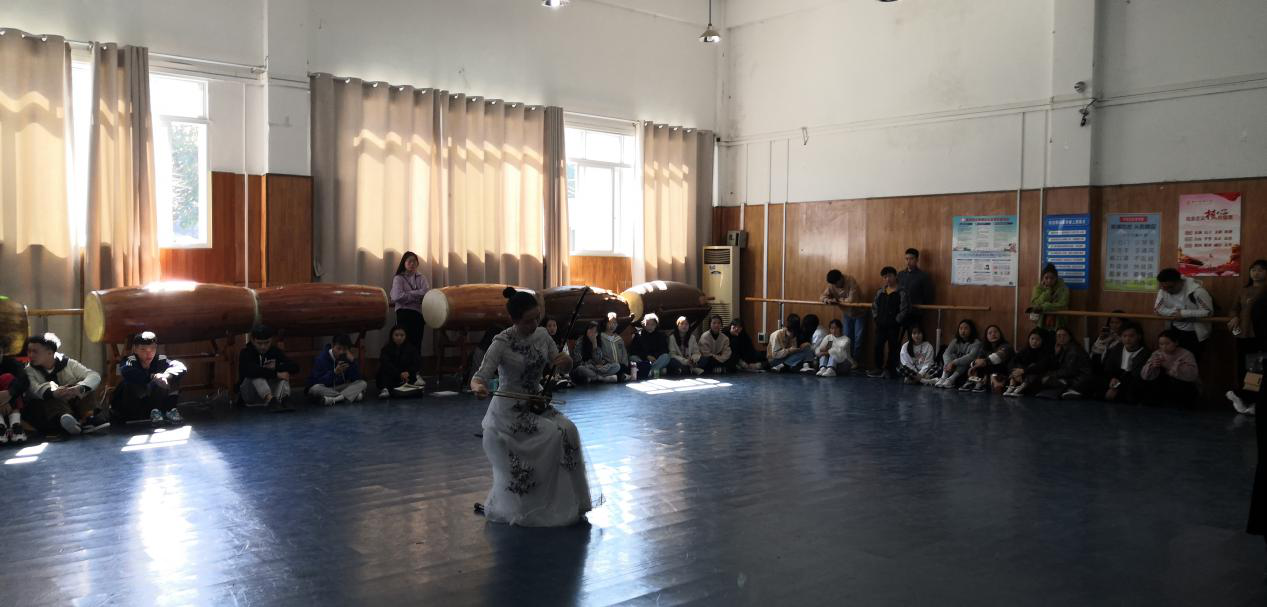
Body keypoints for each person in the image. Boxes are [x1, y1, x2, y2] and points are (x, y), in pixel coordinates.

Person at [470, 287, 592, 527]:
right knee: (552, 433)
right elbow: (479, 377)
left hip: (536, 401)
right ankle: (535, 503)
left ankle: (567, 501)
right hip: (510, 410)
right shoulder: (501, 342)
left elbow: (562, 364)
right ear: (514, 320)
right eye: (528, 321)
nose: (534, 324)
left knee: (569, 429)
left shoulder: (542, 335)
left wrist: (566, 362)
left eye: (537, 318)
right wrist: (478, 388)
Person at [22, 333, 108, 436]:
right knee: (50, 396)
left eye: (35, 351)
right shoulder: (28, 370)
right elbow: (33, 389)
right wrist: (55, 392)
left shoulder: (68, 363)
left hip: (71, 403)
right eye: (29, 351)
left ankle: (88, 418)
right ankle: (65, 422)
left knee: (86, 388)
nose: (31, 355)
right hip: (46, 412)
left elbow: (94, 375)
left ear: (50, 352)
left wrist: (79, 388)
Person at [112, 331, 187, 425]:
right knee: (132, 381)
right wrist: (153, 376)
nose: (148, 353)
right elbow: (127, 371)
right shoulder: (130, 360)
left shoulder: (160, 359)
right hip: (135, 407)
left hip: (156, 405)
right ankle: (153, 411)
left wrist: (166, 375)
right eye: (143, 349)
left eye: (152, 348)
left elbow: (180, 366)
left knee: (172, 377)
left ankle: (170, 410)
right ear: (135, 349)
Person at [1077, 322, 1151, 404]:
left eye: (1131, 336)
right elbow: (1108, 368)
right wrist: (1112, 379)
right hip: (1114, 381)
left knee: (1133, 391)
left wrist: (1117, 387)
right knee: (1090, 381)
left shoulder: (1145, 353)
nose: (1127, 339)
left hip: (1129, 384)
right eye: (1124, 336)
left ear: (1139, 337)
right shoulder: (1118, 348)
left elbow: (1136, 376)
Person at [1228, 260, 1267, 413]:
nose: (1256, 273)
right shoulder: (1243, 290)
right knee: (1243, 367)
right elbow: (1233, 308)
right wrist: (1234, 317)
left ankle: (1251, 399)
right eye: (1253, 270)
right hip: (1243, 334)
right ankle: (1245, 398)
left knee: (1256, 367)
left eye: (1261, 270)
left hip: (1261, 335)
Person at [1153, 267, 1213, 356]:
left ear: (1179, 282)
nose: (1167, 290)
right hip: (1175, 330)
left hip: (1195, 333)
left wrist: (1183, 313)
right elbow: (1158, 310)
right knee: (1173, 359)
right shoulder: (1163, 291)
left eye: (1170, 287)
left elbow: (1208, 312)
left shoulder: (1197, 291)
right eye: (1164, 287)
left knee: (1192, 359)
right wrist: (1175, 313)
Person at [239, 325, 300, 412]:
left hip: (273, 394)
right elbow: (250, 371)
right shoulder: (245, 352)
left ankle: (285, 398)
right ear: (252, 340)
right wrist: (276, 374)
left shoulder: (275, 351)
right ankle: (270, 400)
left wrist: (277, 367)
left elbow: (295, 367)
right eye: (259, 343)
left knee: (285, 373)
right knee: (256, 373)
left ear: (271, 340)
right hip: (250, 396)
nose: (263, 347)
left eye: (267, 343)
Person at [1140, 329, 1201, 406]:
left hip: (1182, 385)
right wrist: (1153, 366)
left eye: (1167, 343)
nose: (1164, 347)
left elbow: (1192, 374)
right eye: (1161, 344)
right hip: (1163, 385)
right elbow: (1144, 375)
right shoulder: (1157, 353)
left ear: (1176, 342)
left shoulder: (1186, 354)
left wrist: (1169, 365)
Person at [869, 266, 910, 378]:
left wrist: (897, 321)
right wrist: (876, 318)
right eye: (885, 277)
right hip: (881, 325)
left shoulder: (901, 291)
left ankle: (890, 369)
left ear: (895, 276)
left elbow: (904, 309)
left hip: (894, 326)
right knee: (878, 346)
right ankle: (878, 368)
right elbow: (874, 307)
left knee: (893, 348)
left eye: (890, 276)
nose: (887, 279)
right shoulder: (880, 291)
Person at [308, 334, 368, 405]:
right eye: (338, 348)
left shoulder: (347, 358)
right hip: (326, 388)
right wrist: (334, 373)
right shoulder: (321, 359)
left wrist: (353, 362)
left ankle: (335, 399)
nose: (341, 352)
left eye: (344, 349)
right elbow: (317, 381)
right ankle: (348, 397)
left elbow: (356, 379)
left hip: (341, 388)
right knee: (314, 389)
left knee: (363, 383)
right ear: (333, 346)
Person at [390, 251, 431, 353]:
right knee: (404, 342)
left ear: (417, 263)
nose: (412, 264)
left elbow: (426, 293)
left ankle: (416, 363)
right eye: (409, 261)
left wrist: (407, 294)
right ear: (404, 263)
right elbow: (396, 296)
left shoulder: (421, 277)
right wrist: (417, 295)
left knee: (417, 342)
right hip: (403, 312)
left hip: (417, 313)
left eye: (414, 261)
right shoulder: (398, 278)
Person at [821, 269, 866, 361]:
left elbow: (852, 300)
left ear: (841, 278)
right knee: (847, 337)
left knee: (858, 338)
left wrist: (838, 301)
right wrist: (827, 300)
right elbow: (822, 296)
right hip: (847, 314)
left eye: (836, 283)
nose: (835, 286)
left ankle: (855, 361)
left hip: (859, 313)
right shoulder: (832, 284)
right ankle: (847, 360)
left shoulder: (850, 280)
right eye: (833, 284)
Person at [1037, 327, 1093, 400]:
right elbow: (1058, 366)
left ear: (1070, 337)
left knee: (1046, 380)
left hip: (1080, 380)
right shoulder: (1064, 348)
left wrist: (1050, 374)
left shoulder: (1074, 350)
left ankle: (1074, 390)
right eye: (1058, 336)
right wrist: (1056, 354)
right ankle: (1068, 390)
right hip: (1073, 377)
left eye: (1064, 335)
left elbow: (1069, 371)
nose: (1061, 338)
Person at [962, 325, 1013, 393]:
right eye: (990, 333)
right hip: (988, 370)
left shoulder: (1006, 346)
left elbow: (996, 357)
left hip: (1003, 371)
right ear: (986, 336)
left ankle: (986, 382)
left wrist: (978, 364)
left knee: (993, 364)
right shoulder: (984, 348)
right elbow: (978, 360)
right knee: (974, 366)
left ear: (1000, 334)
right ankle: (977, 382)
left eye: (995, 332)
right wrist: (973, 365)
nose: (993, 334)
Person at [377, 325, 424, 399]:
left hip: (406, 377)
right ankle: (385, 389)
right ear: (392, 336)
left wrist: (408, 372)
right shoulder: (386, 349)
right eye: (396, 335)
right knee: (383, 370)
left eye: (402, 335)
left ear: (405, 336)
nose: (399, 338)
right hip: (392, 376)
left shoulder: (411, 349)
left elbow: (417, 364)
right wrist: (399, 374)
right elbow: (386, 364)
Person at [1003, 328, 1053, 397]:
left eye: (1037, 339)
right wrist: (1015, 372)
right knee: (1017, 365)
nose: (1034, 342)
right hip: (1021, 377)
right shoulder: (1025, 350)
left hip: (1034, 381)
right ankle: (1012, 385)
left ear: (1043, 341)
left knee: (1033, 367)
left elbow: (1041, 367)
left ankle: (1022, 388)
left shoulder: (1047, 353)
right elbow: (1012, 361)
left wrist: (1023, 371)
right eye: (1032, 339)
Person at [934, 320, 983, 389]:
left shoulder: (976, 342)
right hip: (952, 367)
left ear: (971, 330)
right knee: (950, 356)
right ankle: (943, 377)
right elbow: (946, 353)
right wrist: (949, 363)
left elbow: (971, 357)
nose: (963, 331)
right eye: (961, 328)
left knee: (964, 360)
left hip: (967, 367)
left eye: (966, 328)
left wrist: (954, 362)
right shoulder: (955, 341)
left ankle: (951, 379)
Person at [897, 248, 933, 332]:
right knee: (899, 335)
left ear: (917, 260)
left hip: (915, 312)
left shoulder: (923, 276)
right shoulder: (900, 274)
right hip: (900, 311)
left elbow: (928, 295)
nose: (908, 261)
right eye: (906, 259)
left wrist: (920, 307)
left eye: (911, 259)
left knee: (914, 335)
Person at [1028, 263, 1070, 331]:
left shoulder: (1063, 288)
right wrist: (1047, 292)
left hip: (1059, 323)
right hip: (1041, 323)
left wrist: (1045, 306)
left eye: (1052, 278)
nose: (1049, 280)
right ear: (1042, 278)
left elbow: (1063, 304)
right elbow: (1035, 303)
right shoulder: (1038, 288)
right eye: (1046, 278)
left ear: (1056, 278)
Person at [0, 351, 30, 444]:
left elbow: (24, 381)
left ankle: (15, 425)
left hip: (12, 404)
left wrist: (9, 394)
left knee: (8, 378)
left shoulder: (12, 363)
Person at [630, 314, 672, 379]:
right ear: (644, 324)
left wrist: (654, 357)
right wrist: (646, 356)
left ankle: (648, 371)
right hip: (643, 360)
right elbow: (634, 351)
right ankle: (656, 370)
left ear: (656, 325)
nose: (650, 327)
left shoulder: (661, 335)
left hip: (656, 360)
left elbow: (664, 350)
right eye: (647, 324)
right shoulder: (638, 335)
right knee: (632, 357)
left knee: (666, 356)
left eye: (652, 324)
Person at [599, 313, 633, 381]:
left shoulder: (619, 339)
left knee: (629, 367)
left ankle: (617, 377)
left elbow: (624, 354)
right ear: (605, 323)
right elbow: (600, 354)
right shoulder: (601, 337)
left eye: (614, 323)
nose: (612, 325)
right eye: (610, 323)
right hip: (608, 365)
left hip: (620, 365)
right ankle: (618, 376)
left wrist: (624, 364)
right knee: (614, 368)